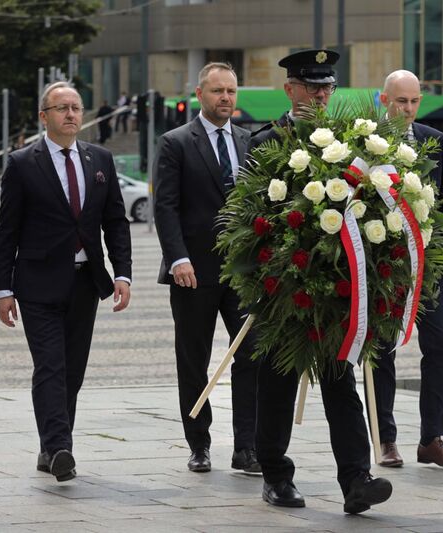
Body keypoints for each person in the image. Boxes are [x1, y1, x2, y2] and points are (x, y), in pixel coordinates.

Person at [249, 50, 392, 514]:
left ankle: (356, 480)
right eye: (311, 87)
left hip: (335, 288)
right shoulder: (265, 141)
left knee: (340, 381)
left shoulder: (350, 142)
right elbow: (250, 212)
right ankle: (275, 475)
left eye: (327, 87)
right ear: (289, 88)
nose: (320, 96)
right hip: (285, 286)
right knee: (277, 381)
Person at [0, 81, 132, 482]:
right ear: (44, 117)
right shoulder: (22, 163)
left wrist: (122, 272)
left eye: (76, 108)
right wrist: (3, 288)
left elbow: (115, 221)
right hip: (37, 283)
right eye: (61, 108)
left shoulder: (99, 159)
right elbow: (7, 230)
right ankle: (59, 447)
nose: (70, 114)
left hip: (86, 281)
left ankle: (49, 447)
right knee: (50, 366)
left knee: (73, 371)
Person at [153, 62, 260, 475]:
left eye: (231, 91)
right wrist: (178, 258)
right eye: (218, 91)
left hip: (242, 273)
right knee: (192, 359)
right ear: (200, 94)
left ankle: (247, 447)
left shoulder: (249, 141)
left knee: (250, 354)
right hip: (193, 272)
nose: (226, 98)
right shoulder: (176, 142)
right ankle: (199, 443)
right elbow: (165, 207)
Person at [369, 69, 443, 469]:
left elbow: (442, 205)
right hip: (384, 265)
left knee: (440, 345)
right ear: (384, 100)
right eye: (400, 101)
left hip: (429, 265)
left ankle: (432, 439)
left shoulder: (433, 139)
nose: (408, 109)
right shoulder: (365, 140)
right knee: (383, 349)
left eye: (413, 101)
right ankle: (386, 440)